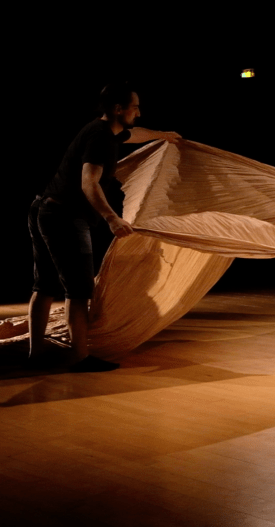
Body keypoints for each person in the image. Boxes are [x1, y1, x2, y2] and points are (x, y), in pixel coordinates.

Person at [28, 82, 181, 371]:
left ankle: (36, 355)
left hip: (44, 207)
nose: (139, 112)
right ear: (117, 109)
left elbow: (133, 134)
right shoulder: (100, 139)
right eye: (134, 106)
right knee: (79, 289)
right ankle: (79, 357)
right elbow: (89, 182)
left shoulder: (104, 131)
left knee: (45, 285)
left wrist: (163, 136)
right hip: (64, 215)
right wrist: (112, 217)